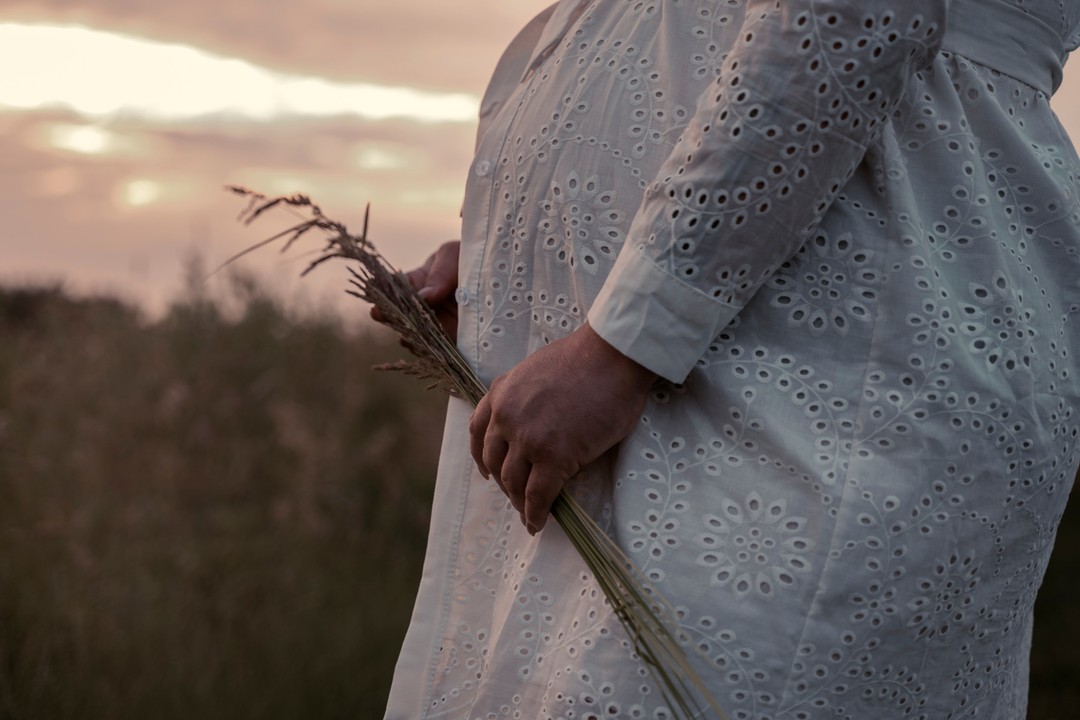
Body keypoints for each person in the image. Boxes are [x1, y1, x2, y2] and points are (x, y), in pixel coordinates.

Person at [383, 1, 1080, 718]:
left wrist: (624, 344)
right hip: (700, 358)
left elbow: (854, 16)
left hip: (825, 370)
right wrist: (526, 265)